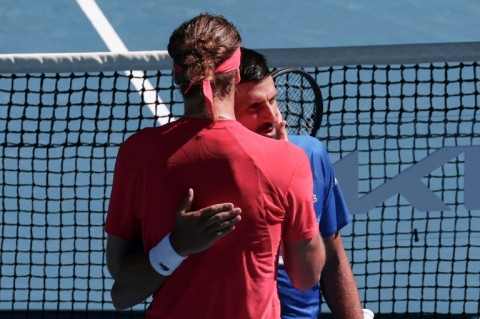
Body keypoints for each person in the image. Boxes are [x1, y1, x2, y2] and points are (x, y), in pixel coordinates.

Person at [104, 13, 325, 319]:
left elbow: (121, 275)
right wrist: (298, 187)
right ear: (236, 76)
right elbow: (306, 276)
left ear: (178, 77)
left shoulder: (137, 153)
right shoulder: (288, 160)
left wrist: (174, 248)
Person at [234, 47, 364, 319]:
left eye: (273, 101)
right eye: (255, 107)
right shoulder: (209, 171)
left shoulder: (311, 155)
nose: (272, 117)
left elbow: (333, 259)